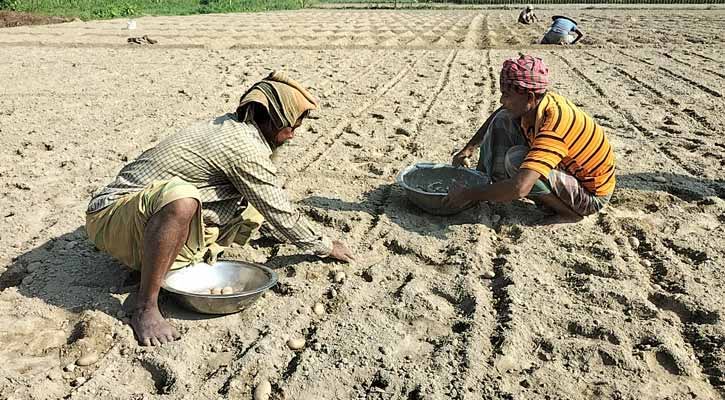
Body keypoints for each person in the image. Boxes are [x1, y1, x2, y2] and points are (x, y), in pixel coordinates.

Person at [85, 72, 355, 346]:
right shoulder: (243, 148)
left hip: (139, 216)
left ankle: (158, 259)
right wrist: (324, 246)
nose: (293, 135)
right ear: (273, 119)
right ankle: (145, 307)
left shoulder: (237, 129)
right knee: (183, 201)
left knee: (250, 205)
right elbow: (279, 211)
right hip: (110, 217)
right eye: (292, 126)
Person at [446, 55, 615, 223]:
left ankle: (568, 213)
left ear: (530, 97)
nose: (502, 100)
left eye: (507, 95)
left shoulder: (554, 126)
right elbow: (501, 111)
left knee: (516, 160)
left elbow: (520, 188)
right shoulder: (540, 102)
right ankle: (484, 179)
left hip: (590, 195)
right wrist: (469, 148)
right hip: (568, 169)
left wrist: (467, 194)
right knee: (503, 118)